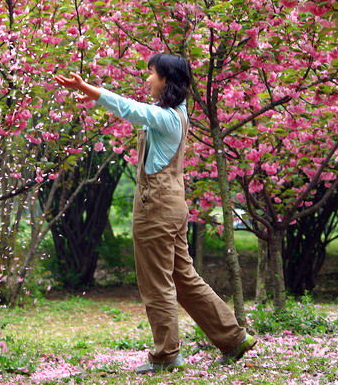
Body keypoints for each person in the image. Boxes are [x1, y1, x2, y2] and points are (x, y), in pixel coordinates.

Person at [52, 53, 256, 373]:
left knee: (156, 282)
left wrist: (92, 90)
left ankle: (166, 354)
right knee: (183, 278)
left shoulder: (169, 118)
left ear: (167, 80)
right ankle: (232, 338)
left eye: (152, 74)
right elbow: (137, 110)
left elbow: (130, 109)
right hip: (172, 205)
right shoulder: (175, 113)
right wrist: (94, 98)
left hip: (156, 207)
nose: (147, 79)